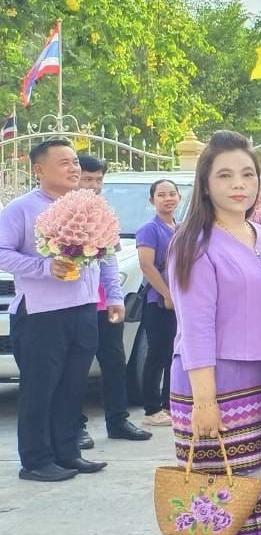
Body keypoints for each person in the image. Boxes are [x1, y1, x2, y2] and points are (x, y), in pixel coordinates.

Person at [164, 131, 261, 535]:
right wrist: (204, 401)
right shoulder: (193, 242)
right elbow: (195, 325)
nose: (239, 184)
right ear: (205, 183)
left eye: (247, 174)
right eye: (225, 175)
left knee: (252, 488)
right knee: (217, 489)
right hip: (210, 382)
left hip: (257, 379)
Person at [0, 139, 121, 481]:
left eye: (74, 162)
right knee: (40, 389)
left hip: (83, 308)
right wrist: (44, 267)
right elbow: (2, 252)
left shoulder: (89, 207)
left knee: (73, 386)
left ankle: (67, 453)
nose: (74, 168)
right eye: (64, 163)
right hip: (41, 314)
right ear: (38, 169)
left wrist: (113, 296)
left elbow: (107, 254)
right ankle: (36, 461)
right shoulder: (22, 209)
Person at [76, 155, 150, 443]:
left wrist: (115, 297)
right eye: (87, 178)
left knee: (115, 361)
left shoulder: (104, 213)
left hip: (103, 302)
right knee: (77, 367)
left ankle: (118, 421)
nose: (94, 185)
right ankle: (76, 426)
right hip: (75, 304)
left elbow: (109, 258)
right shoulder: (61, 215)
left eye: (98, 180)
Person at [135, 179, 182, 429]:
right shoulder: (149, 229)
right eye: (162, 195)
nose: (168, 198)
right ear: (152, 200)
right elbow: (146, 265)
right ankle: (152, 409)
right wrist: (166, 294)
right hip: (158, 301)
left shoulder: (180, 227)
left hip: (178, 301)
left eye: (172, 194)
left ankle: (170, 405)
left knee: (174, 353)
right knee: (157, 353)